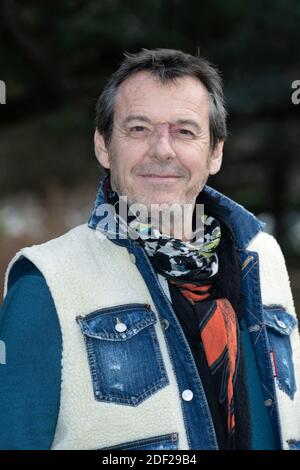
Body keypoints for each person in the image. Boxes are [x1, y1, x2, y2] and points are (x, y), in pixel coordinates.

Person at [0, 48, 299, 451]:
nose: (162, 149)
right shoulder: (47, 283)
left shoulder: (264, 258)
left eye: (184, 131)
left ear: (215, 152)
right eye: (138, 129)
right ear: (104, 146)